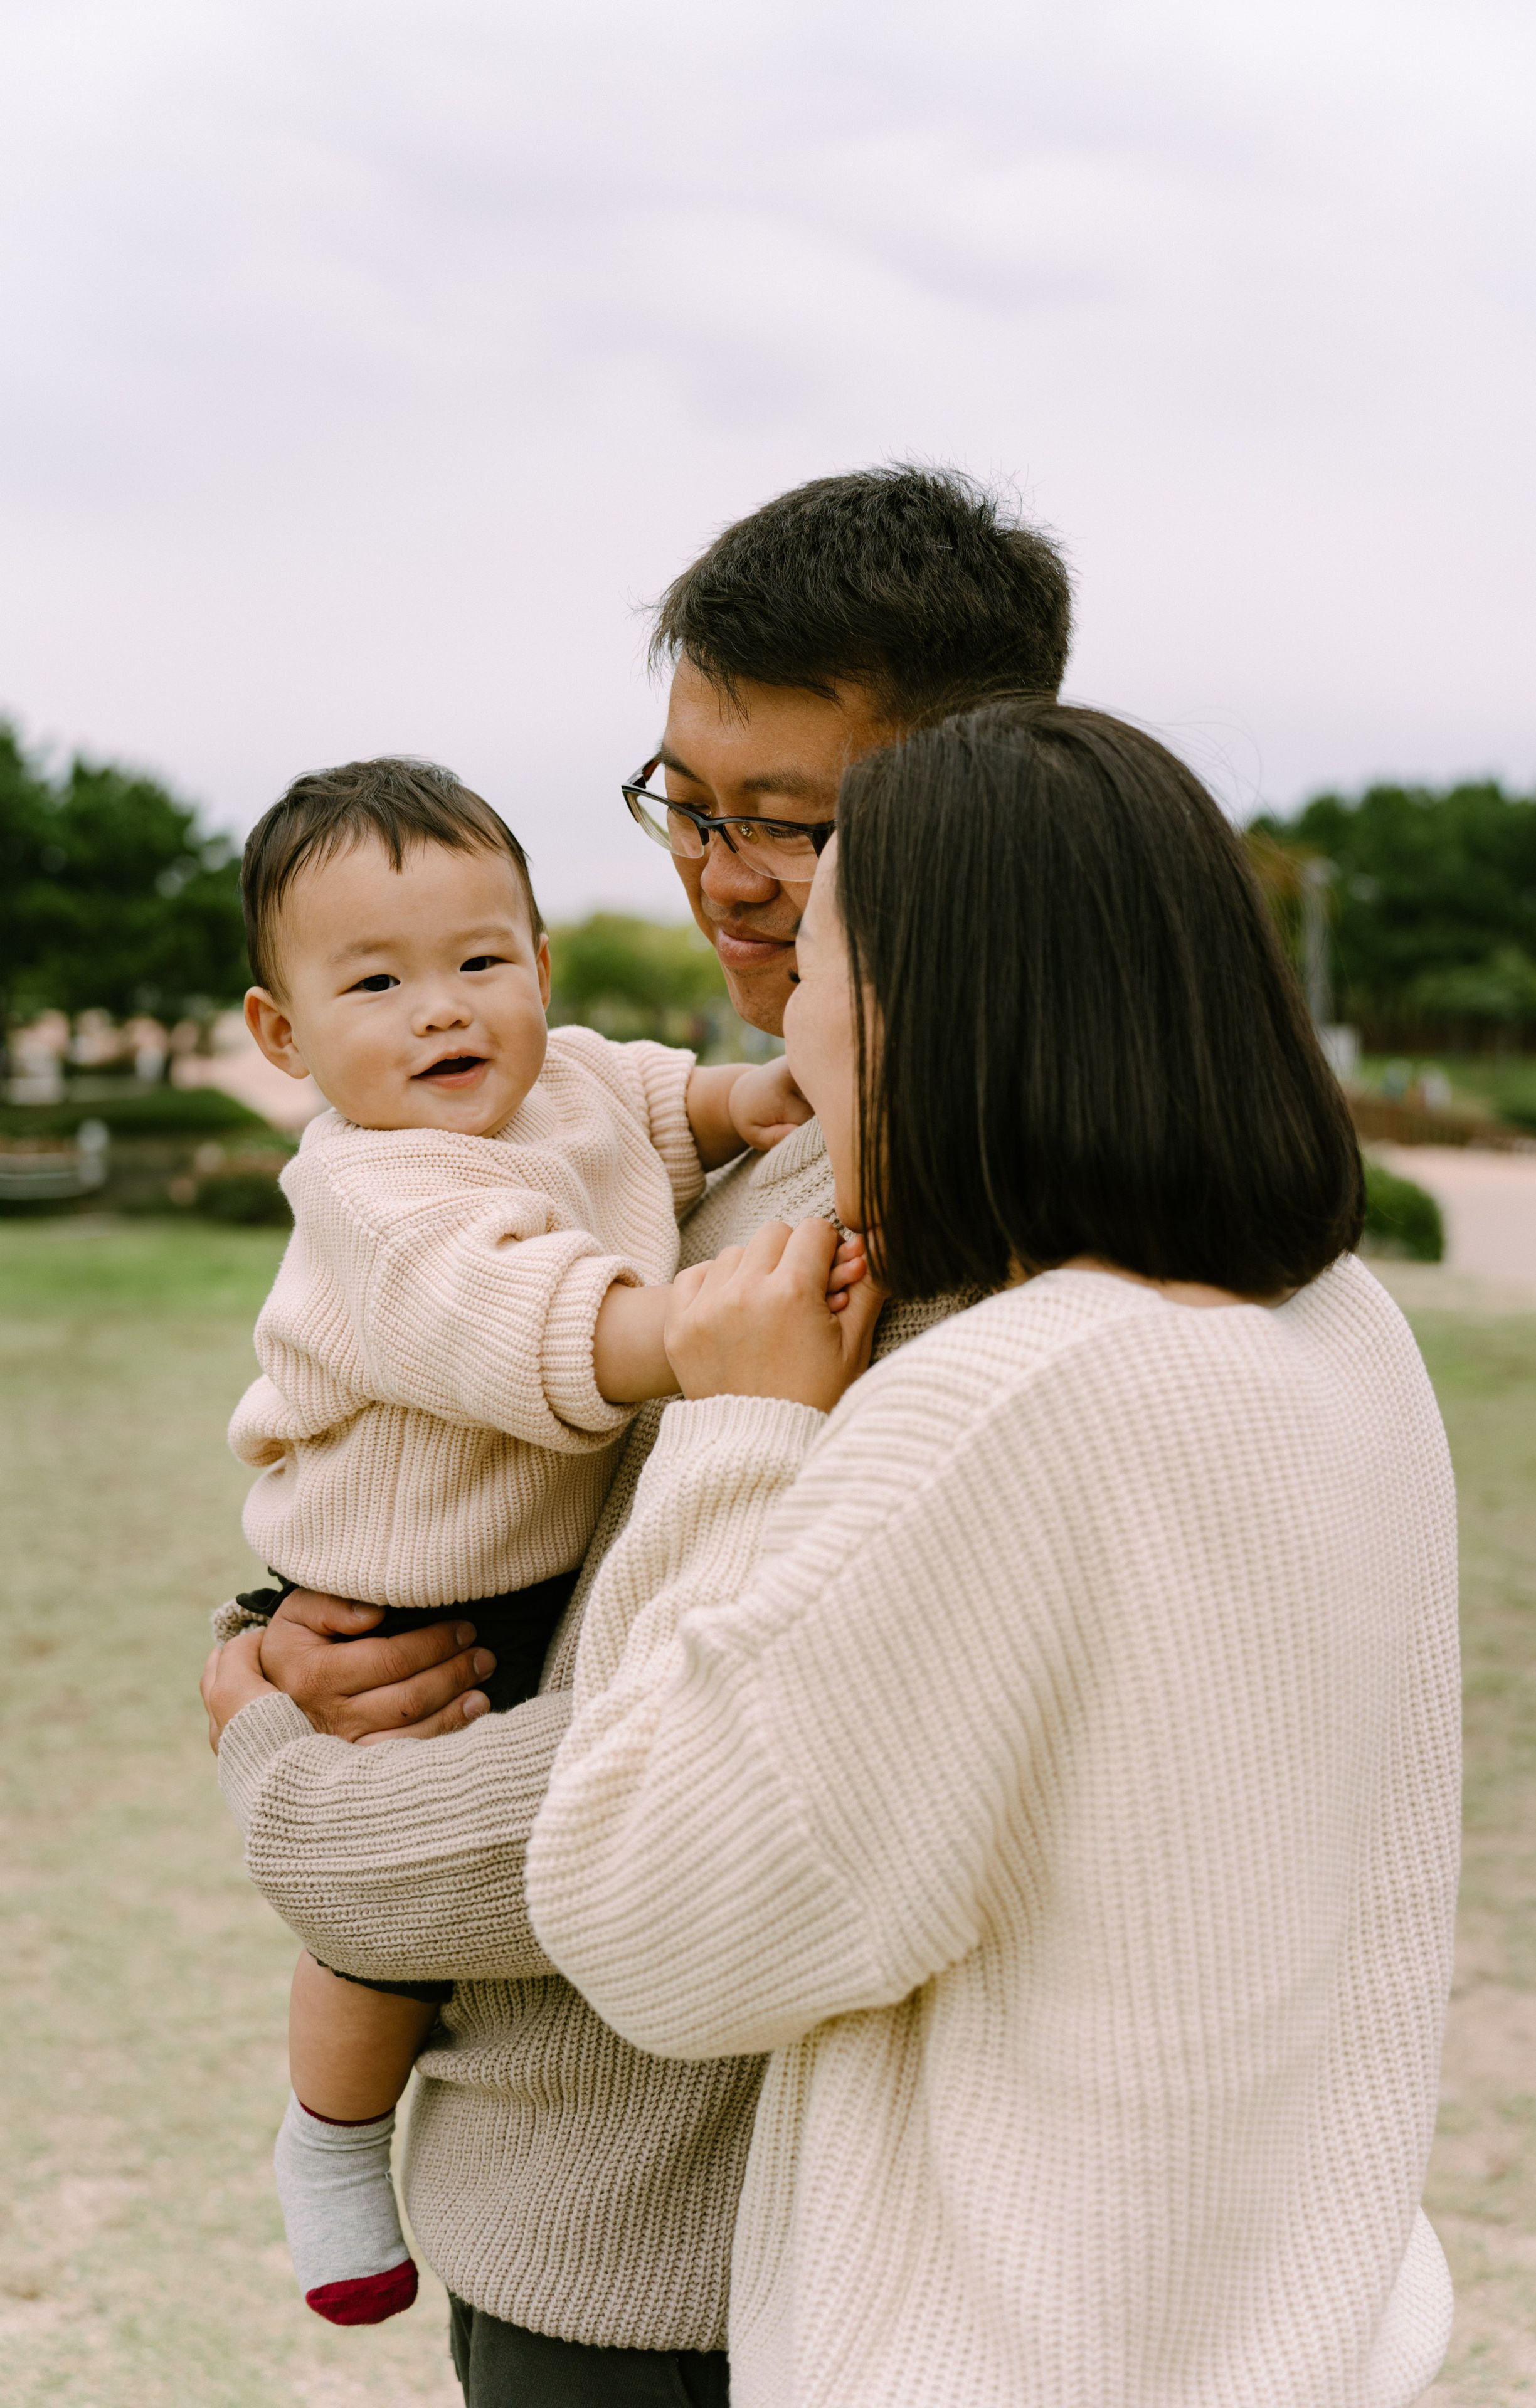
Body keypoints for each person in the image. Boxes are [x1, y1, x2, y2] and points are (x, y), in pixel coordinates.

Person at [202, 466, 1074, 2404]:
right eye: (690, 801)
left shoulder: (954, 1241)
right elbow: (470, 1389)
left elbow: (670, 1802)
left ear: (973, 804)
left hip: (710, 2244)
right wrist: (274, 1634)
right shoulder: (707, 1167)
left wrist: (263, 1746)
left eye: (794, 824)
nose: (723, 872)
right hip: (563, 2185)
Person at [522, 703, 1462, 2408]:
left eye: (818, 961)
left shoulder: (1004, 1399)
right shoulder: (1349, 1333)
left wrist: (742, 1424)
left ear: (916, 1009)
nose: (793, 1031)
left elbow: (645, 1921)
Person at [221, 753, 818, 2325]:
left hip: (539, 1572)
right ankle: (330, 2138)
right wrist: (694, 1336)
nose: (444, 1010)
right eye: (376, 981)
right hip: (387, 1592)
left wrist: (751, 1097)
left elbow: (654, 1108)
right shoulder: (378, 1191)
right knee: (383, 1928)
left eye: (482, 961)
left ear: (540, 967)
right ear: (283, 1034)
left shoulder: (566, 1080)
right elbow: (518, 1315)